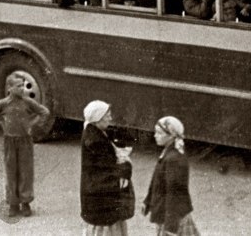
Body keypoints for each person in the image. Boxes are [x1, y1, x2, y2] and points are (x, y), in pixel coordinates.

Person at [0, 72, 51, 217]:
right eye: (18, 86)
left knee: (25, 172)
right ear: (9, 88)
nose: (22, 89)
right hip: (9, 141)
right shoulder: (3, 104)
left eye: (23, 85)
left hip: (25, 141)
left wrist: (32, 124)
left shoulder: (28, 102)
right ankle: (13, 204)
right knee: (11, 172)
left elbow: (44, 112)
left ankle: (25, 203)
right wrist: (1, 123)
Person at [80, 101, 133, 236]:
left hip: (96, 195)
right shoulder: (96, 141)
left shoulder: (94, 131)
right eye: (107, 115)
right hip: (102, 198)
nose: (110, 118)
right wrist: (125, 166)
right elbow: (111, 168)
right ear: (98, 119)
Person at [143, 116, 196, 236]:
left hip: (172, 217)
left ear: (171, 136)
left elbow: (174, 193)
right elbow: (156, 180)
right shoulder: (168, 152)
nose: (155, 135)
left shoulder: (174, 159)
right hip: (168, 214)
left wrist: (171, 225)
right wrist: (148, 201)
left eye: (159, 133)